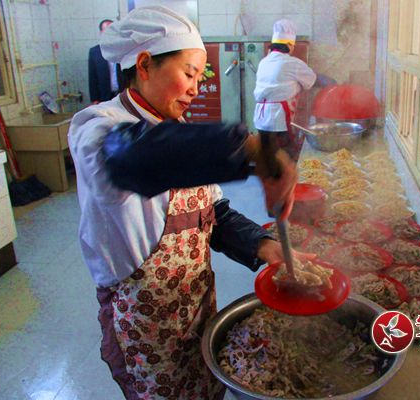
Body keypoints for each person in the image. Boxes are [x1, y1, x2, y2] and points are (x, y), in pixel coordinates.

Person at [68, 6, 306, 399]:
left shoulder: (177, 129)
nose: (195, 88)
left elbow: (214, 213)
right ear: (145, 65)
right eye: (189, 74)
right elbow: (131, 157)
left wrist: (264, 245)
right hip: (145, 323)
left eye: (200, 77)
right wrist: (253, 147)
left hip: (196, 307)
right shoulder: (97, 127)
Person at [253, 19, 317, 162]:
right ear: (289, 45)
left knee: (267, 157)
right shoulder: (291, 63)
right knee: (284, 159)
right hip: (279, 120)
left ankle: (269, 175)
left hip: (261, 119)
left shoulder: (264, 62)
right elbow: (311, 81)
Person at [88, 19, 121, 104]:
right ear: (101, 33)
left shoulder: (123, 49)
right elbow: (92, 77)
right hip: (104, 96)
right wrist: (95, 99)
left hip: (123, 94)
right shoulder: (95, 52)